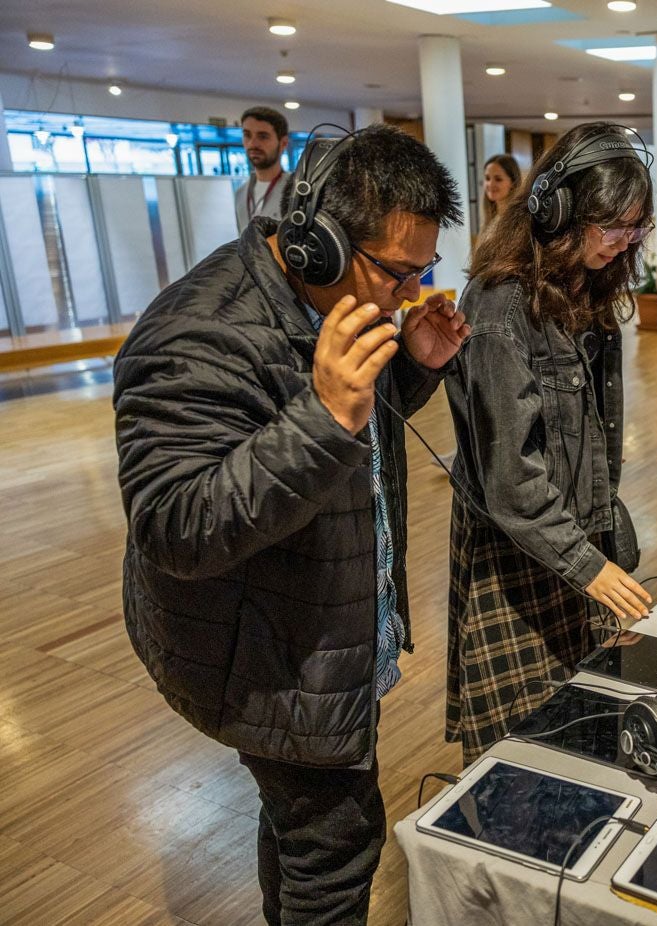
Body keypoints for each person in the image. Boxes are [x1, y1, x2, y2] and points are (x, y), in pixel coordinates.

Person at [113, 124, 466, 926]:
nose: (407, 293)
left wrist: (410, 365)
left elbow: (349, 448)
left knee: (304, 828)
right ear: (317, 242)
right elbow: (174, 529)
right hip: (266, 655)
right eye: (397, 274)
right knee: (336, 843)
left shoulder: (339, 303)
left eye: (421, 274)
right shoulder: (196, 334)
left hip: (319, 625)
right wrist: (327, 413)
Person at [444, 122, 655, 762]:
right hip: (517, 548)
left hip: (563, 536)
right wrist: (588, 564)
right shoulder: (500, 307)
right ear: (559, 211)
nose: (624, 245)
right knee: (521, 742)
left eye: (636, 228)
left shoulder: (583, 288)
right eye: (612, 226)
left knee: (577, 722)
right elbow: (513, 483)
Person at [235, 105, 290, 230]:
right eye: (247, 135)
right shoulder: (240, 194)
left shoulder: (295, 191)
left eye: (263, 136)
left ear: (283, 143)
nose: (252, 144)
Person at [480, 153, 521, 230]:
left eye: (498, 179)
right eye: (487, 178)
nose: (491, 184)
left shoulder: (518, 221)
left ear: (513, 183)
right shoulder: (490, 219)